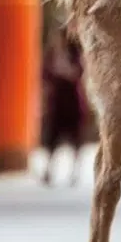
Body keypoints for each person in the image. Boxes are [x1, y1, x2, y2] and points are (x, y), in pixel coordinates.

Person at [40, 25, 91, 186]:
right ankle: (48, 170)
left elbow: (78, 73)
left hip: (72, 101)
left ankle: (74, 172)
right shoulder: (51, 54)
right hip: (56, 101)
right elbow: (45, 76)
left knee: (75, 139)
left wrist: (63, 69)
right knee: (52, 138)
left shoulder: (74, 54)